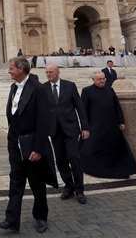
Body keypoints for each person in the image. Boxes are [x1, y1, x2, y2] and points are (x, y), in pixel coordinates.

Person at [0, 57, 55, 234]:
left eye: (11, 68)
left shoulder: (39, 89)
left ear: (21, 69)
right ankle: (12, 220)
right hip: (15, 143)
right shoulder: (14, 87)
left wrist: (38, 148)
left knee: (37, 183)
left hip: (31, 144)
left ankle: (41, 217)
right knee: (15, 182)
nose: (9, 71)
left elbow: (44, 122)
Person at [43, 63, 89, 204]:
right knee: (61, 161)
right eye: (47, 72)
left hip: (71, 129)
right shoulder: (43, 88)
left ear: (58, 72)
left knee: (74, 158)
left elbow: (80, 107)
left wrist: (85, 127)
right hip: (55, 131)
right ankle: (69, 186)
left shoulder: (70, 86)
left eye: (51, 72)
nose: (48, 74)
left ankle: (80, 190)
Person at [80, 71, 136, 179]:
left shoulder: (110, 89)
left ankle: (118, 171)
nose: (102, 81)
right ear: (93, 80)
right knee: (92, 149)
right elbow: (83, 111)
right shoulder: (87, 91)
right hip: (95, 126)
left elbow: (117, 106)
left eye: (103, 79)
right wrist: (85, 127)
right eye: (99, 79)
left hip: (112, 126)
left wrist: (121, 121)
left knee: (116, 149)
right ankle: (97, 171)